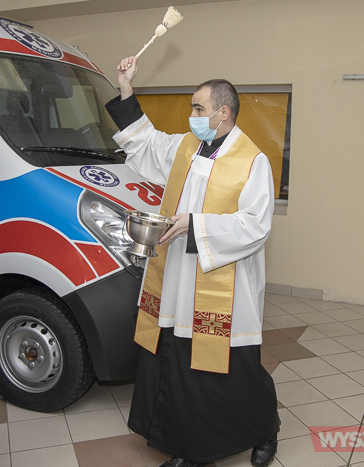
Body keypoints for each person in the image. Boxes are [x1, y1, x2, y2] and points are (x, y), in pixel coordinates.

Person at [105, 56, 280, 467]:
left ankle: (265, 429)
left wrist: (196, 225)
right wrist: (126, 89)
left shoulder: (252, 161)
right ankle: (189, 448)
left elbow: (256, 226)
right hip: (178, 279)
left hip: (224, 284)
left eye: (198, 108)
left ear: (223, 113)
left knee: (232, 372)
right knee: (179, 363)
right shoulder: (187, 146)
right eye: (192, 107)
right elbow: (146, 143)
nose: (192, 115)